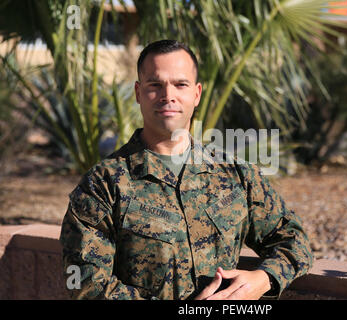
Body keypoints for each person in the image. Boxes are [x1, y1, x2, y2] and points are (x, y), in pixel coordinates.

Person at [59, 39, 313, 300]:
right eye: (155, 85)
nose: (168, 95)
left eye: (180, 84)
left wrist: (263, 279)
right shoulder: (103, 184)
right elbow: (84, 283)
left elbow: (294, 240)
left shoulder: (235, 174)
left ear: (196, 93)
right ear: (138, 93)